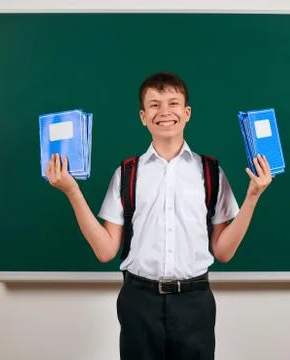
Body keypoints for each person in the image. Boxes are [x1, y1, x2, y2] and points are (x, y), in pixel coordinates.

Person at [46, 72, 272, 360]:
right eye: (154, 105)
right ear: (142, 116)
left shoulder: (211, 172)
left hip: (195, 302)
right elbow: (105, 251)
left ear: (187, 113)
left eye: (173, 103)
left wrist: (253, 195)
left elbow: (224, 252)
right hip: (139, 302)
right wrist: (72, 192)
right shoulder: (127, 173)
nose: (164, 112)